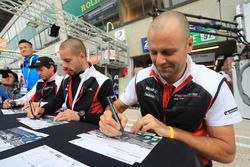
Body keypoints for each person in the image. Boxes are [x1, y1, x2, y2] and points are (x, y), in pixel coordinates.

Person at [99, 11, 242, 167]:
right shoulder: (141, 78)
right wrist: (108, 117)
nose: (159, 61)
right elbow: (116, 106)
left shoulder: (213, 84)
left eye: (168, 52)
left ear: (189, 45)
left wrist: (171, 132)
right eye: (153, 52)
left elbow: (227, 153)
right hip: (149, 160)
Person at [25, 38, 114, 124]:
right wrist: (43, 109)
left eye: (67, 61)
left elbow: (112, 117)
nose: (64, 66)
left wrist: (80, 116)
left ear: (82, 56)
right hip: (70, 131)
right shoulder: (67, 79)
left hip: (93, 134)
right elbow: (57, 101)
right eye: (62, 61)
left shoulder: (103, 82)